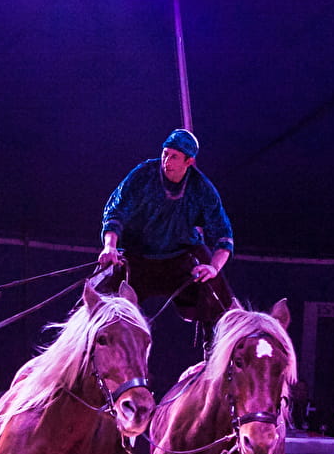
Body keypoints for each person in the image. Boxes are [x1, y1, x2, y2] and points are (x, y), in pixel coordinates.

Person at [96, 128, 235, 326]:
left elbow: (223, 236)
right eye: (165, 153)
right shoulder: (143, 175)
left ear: (189, 162)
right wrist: (110, 246)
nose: (166, 161)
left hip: (181, 259)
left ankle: (218, 341)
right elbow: (115, 212)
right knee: (96, 298)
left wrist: (213, 267)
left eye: (174, 157)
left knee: (219, 299)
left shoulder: (202, 189)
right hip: (137, 257)